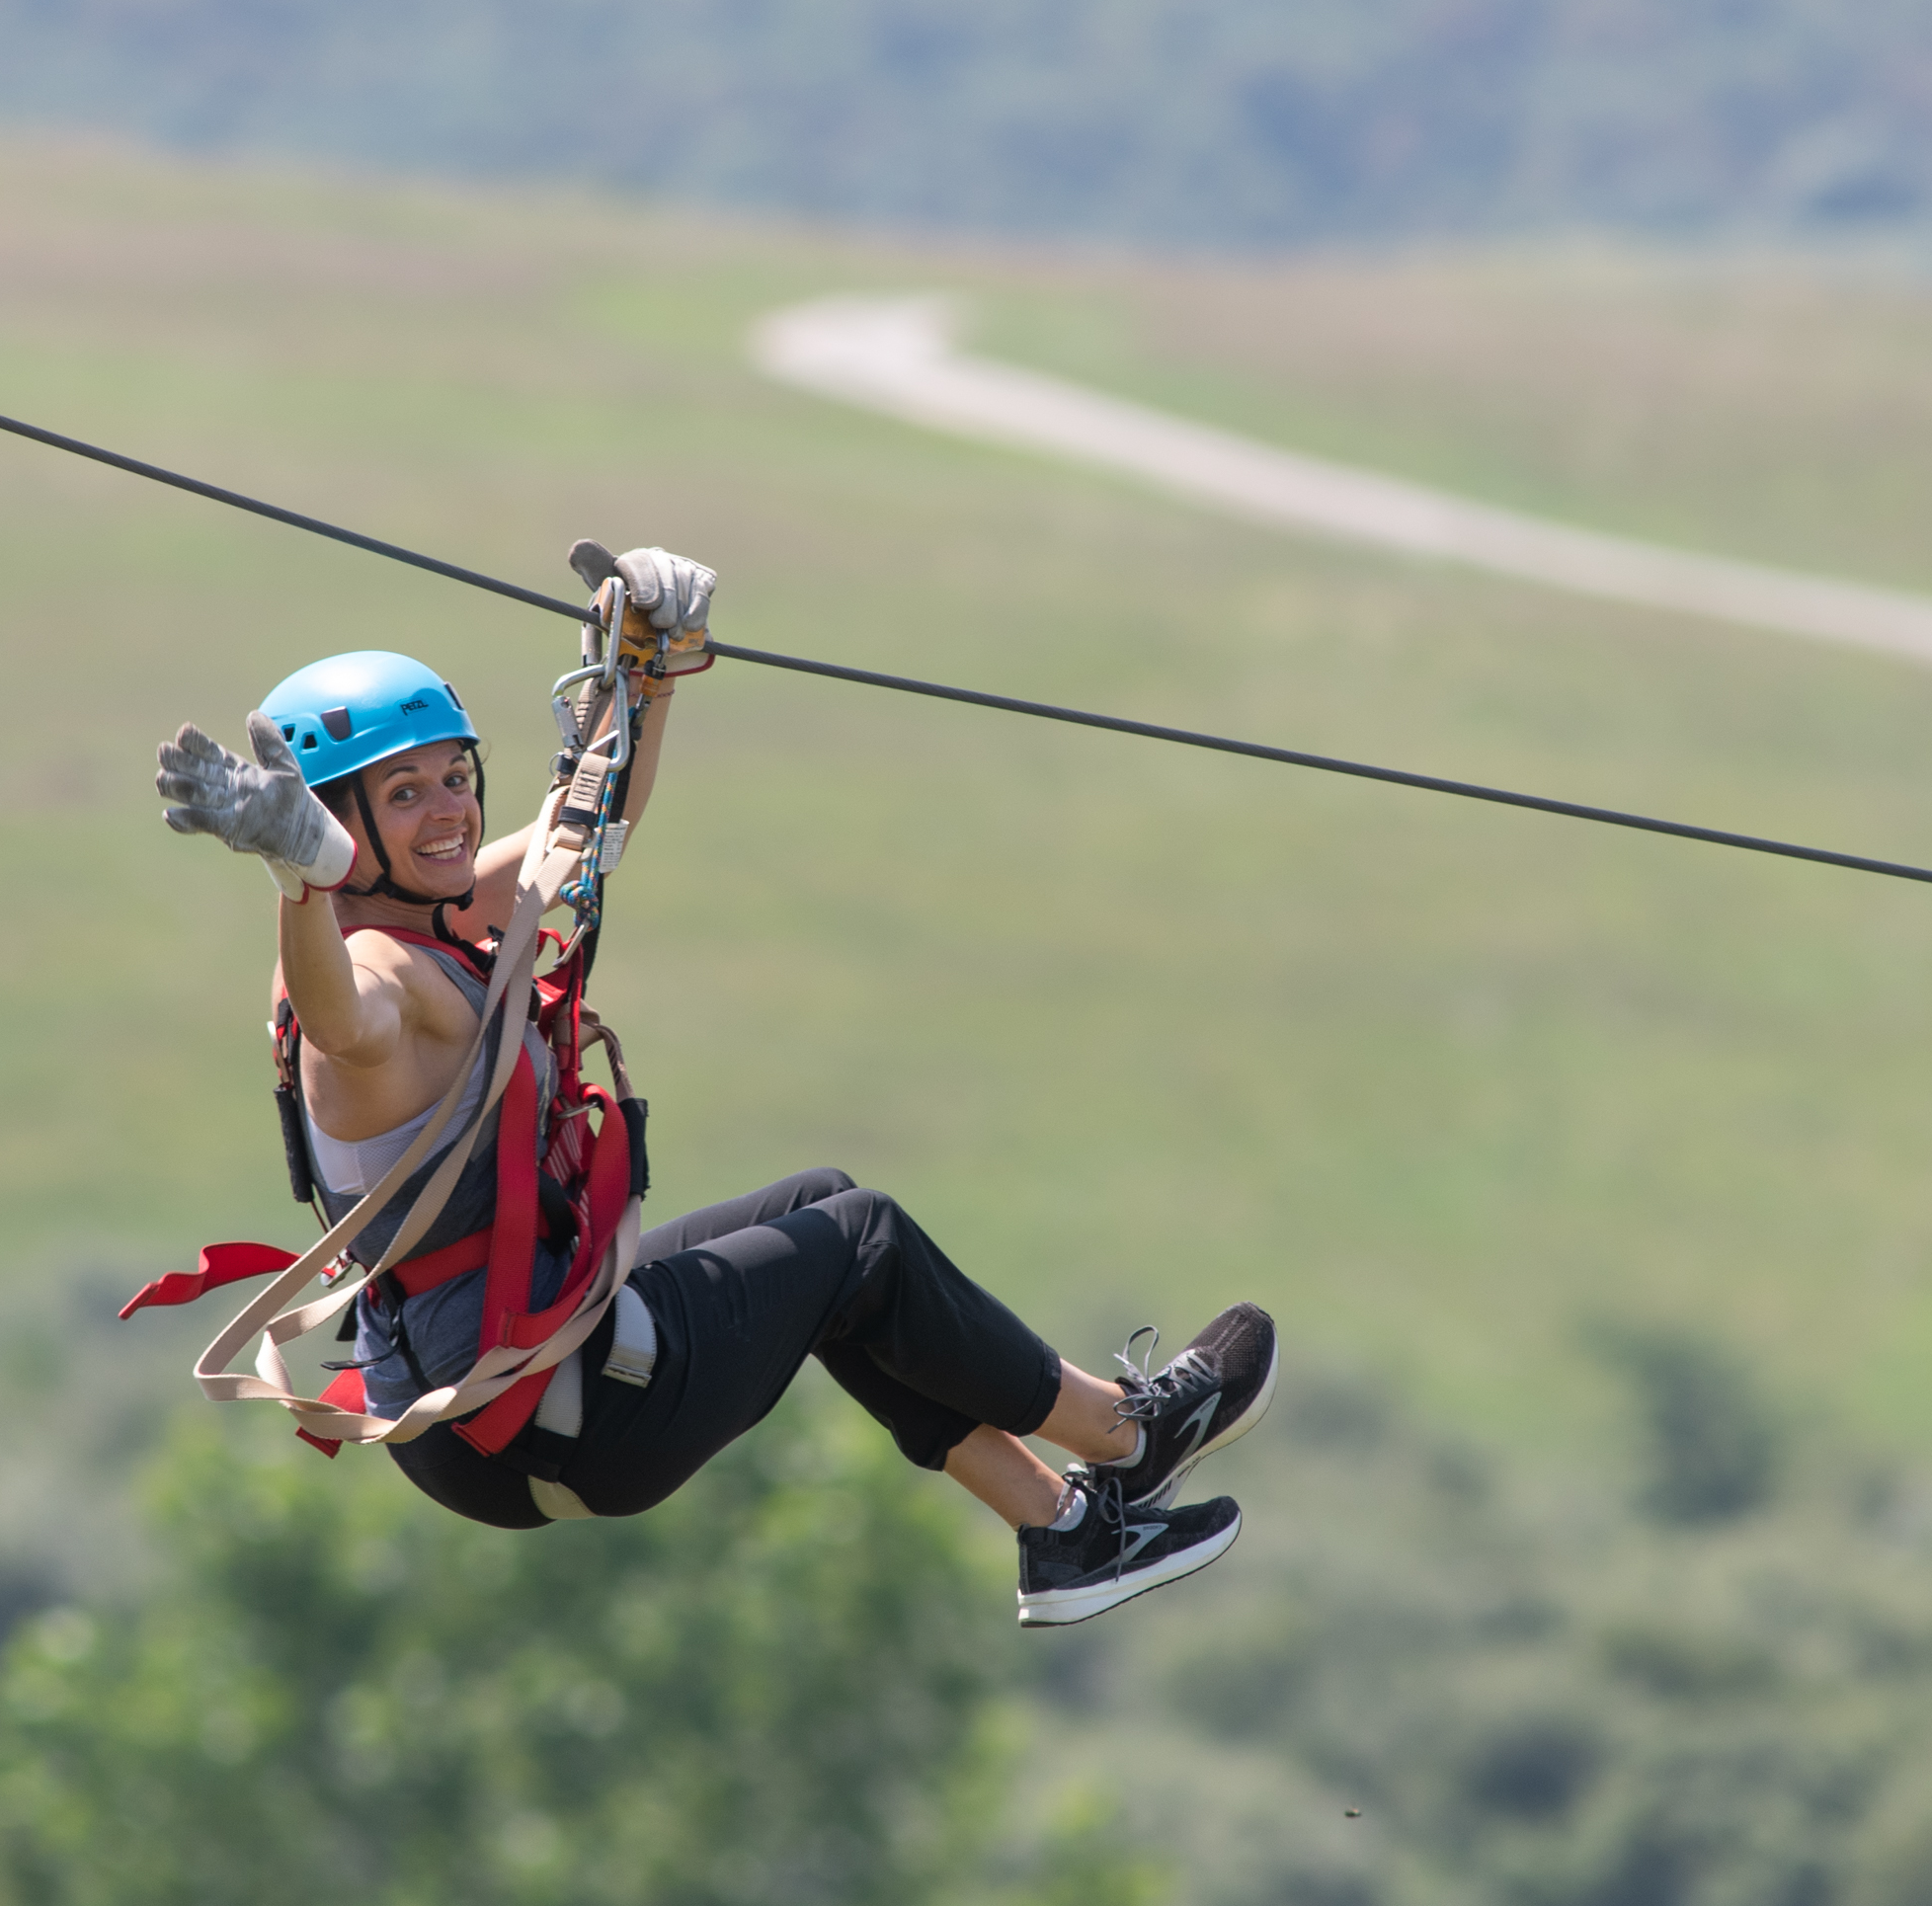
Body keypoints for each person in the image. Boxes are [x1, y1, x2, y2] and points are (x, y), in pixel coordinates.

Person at [147, 542, 1269, 1624]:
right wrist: (297, 881)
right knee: (864, 1240)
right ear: (339, 824)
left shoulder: (422, 920)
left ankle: (1069, 1529)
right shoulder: (376, 977)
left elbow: (581, 837)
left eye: (454, 777)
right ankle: (1127, 1434)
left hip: (504, 1400)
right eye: (403, 795)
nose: (449, 811)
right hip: (550, 1410)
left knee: (819, 1213)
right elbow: (347, 1024)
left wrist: (646, 667)